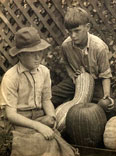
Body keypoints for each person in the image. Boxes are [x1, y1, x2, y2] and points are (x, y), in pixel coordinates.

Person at [0, 27, 77, 156]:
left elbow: (46, 100)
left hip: (40, 117)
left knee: (54, 135)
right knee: (42, 140)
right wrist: (38, 126)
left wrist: (52, 117)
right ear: (20, 54)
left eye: (40, 52)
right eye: (32, 53)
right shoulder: (11, 77)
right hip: (20, 122)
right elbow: (11, 115)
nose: (38, 57)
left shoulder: (44, 72)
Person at [52, 7, 114, 112]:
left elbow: (105, 74)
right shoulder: (66, 46)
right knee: (50, 96)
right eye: (70, 32)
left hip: (96, 81)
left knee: (105, 105)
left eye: (77, 31)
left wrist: (107, 94)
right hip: (77, 80)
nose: (73, 36)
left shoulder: (99, 47)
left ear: (88, 27)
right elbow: (66, 62)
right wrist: (72, 74)